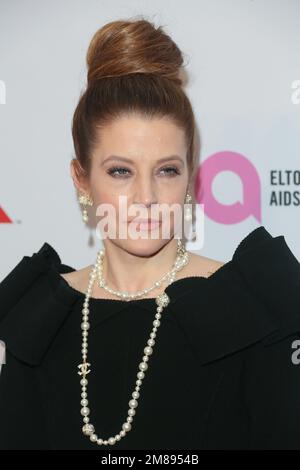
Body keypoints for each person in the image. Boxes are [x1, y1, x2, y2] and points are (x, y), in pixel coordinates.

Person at [1, 17, 300, 451]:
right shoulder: (36, 323)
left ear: (190, 177)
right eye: (120, 171)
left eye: (166, 170)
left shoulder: (255, 312)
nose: (146, 197)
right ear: (81, 179)